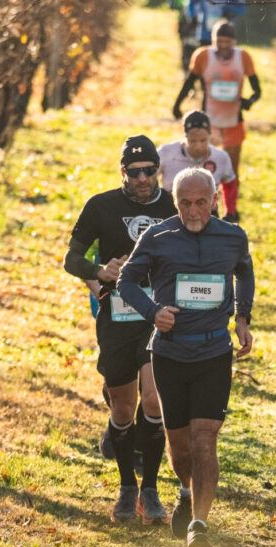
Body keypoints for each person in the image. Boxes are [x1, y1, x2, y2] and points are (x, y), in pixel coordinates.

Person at [115, 168, 255, 547]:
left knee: (205, 437)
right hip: (171, 353)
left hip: (213, 351)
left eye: (201, 202)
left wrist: (242, 316)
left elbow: (245, 271)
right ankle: (186, 491)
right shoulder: (158, 237)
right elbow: (126, 281)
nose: (193, 211)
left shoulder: (232, 237)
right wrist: (152, 312)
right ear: (174, 203)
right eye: (184, 203)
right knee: (179, 446)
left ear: (214, 200)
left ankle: (199, 526)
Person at [63, 135, 177, 524]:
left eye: (149, 170)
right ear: (123, 172)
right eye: (135, 172)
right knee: (124, 407)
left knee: (153, 399)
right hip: (116, 317)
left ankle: (151, 489)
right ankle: (127, 486)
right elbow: (71, 258)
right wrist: (99, 272)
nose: (143, 178)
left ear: (157, 169)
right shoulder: (101, 206)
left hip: (158, 318)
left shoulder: (172, 205)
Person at [172, 20, 260, 224]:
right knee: (203, 167)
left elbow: (258, 90)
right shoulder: (203, 55)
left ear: (235, 42)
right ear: (212, 40)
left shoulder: (243, 57)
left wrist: (249, 102)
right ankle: (204, 208)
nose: (223, 46)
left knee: (231, 171)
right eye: (218, 41)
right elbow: (189, 81)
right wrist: (177, 104)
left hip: (233, 120)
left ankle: (231, 212)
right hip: (207, 122)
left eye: (227, 42)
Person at [158, 110, 236, 218]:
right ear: (185, 137)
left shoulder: (221, 157)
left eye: (203, 140)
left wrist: (230, 213)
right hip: (173, 212)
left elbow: (230, 185)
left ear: (210, 135)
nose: (198, 146)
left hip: (208, 214)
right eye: (193, 141)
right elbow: (150, 178)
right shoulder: (166, 152)